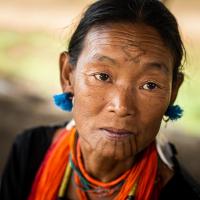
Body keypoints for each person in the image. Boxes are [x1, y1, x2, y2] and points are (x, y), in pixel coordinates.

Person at [1, 0, 200, 199]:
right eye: (102, 77)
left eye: (150, 85)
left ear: (173, 92)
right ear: (68, 75)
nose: (121, 106)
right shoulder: (30, 152)